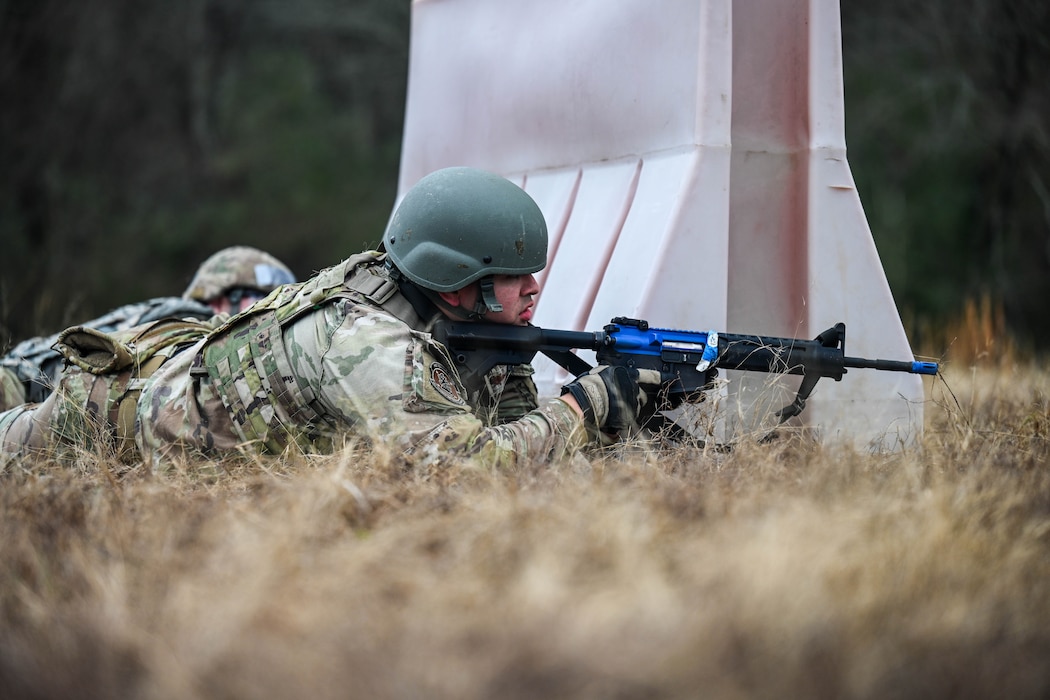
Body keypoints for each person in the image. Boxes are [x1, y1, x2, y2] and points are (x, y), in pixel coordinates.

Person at [0, 167, 657, 472]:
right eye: (517, 276)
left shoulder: (408, 290)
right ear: (457, 280)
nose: (535, 288)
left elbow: (497, 423)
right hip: (106, 418)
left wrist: (625, 414)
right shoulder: (367, 346)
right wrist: (581, 407)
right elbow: (469, 472)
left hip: (180, 380)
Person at [0, 246, 296, 411]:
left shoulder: (170, 317)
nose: (265, 309)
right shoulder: (190, 321)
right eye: (259, 298)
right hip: (18, 390)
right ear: (221, 297)